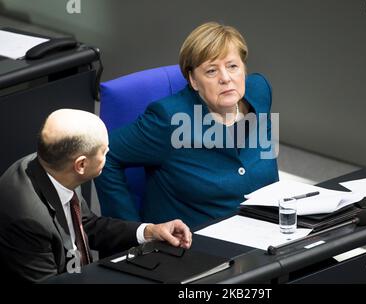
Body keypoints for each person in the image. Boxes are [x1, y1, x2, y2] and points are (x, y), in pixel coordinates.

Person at [95, 22, 279, 229]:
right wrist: (133, 232)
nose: (226, 78)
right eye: (211, 71)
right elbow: (104, 153)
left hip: (265, 231)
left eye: (232, 66)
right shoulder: (169, 119)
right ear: (193, 79)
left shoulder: (259, 93)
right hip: (198, 247)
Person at [0, 109, 192, 283]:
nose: (109, 154)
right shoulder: (28, 218)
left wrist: (150, 231)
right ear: (81, 165)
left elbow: (86, 225)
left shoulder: (57, 166)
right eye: (104, 151)